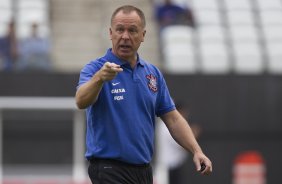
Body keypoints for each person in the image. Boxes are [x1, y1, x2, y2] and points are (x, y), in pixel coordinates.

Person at [75, 5, 212, 184]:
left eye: (132, 30)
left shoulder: (152, 74)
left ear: (143, 36)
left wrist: (196, 151)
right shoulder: (95, 69)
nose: (125, 36)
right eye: (120, 30)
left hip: (143, 171)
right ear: (111, 33)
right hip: (109, 168)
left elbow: (173, 119)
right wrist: (99, 79)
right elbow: (81, 100)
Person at [154, 102, 202, 184]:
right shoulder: (167, 126)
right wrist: (193, 135)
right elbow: (182, 144)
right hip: (168, 167)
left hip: (174, 166)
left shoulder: (165, 125)